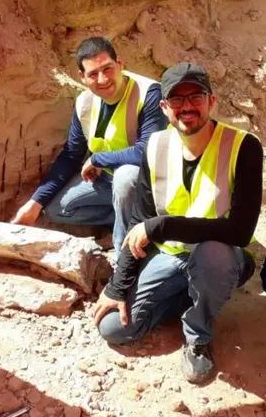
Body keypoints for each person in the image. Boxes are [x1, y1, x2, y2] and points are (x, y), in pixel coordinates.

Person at [92, 63, 262, 384]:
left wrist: (162, 226)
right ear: (165, 107)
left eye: (195, 97)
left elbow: (239, 231)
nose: (187, 107)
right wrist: (118, 286)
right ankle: (193, 294)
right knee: (114, 328)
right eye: (177, 100)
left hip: (219, 255)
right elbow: (140, 223)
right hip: (169, 256)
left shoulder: (244, 147)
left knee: (213, 256)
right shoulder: (155, 146)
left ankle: (198, 335)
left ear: (211, 102)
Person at [11, 37, 166, 257]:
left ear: (119, 64)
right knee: (58, 210)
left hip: (148, 183)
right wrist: (36, 202)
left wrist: (98, 159)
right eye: (93, 74)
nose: (102, 79)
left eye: (108, 69)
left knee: (126, 176)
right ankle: (134, 218)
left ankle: (124, 258)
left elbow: (147, 151)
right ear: (82, 77)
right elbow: (71, 155)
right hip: (107, 182)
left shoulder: (149, 93)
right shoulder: (85, 103)